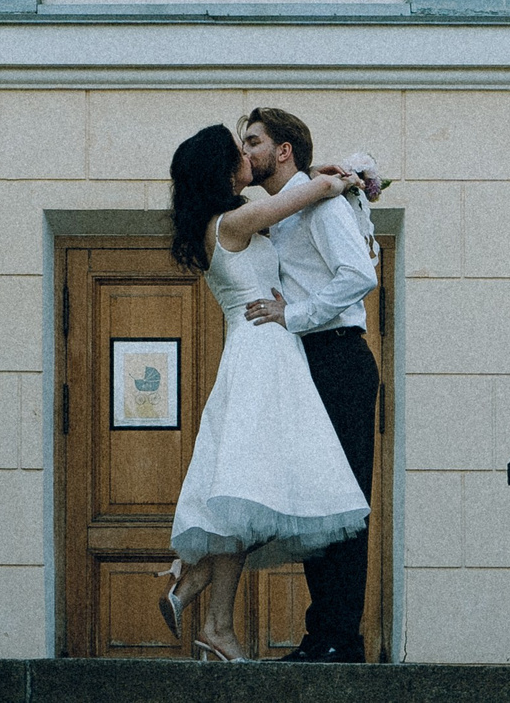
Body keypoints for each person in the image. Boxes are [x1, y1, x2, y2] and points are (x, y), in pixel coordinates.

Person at [159, 124, 369, 662]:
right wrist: (346, 174)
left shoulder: (226, 223)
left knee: (258, 488)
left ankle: (203, 601)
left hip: (264, 355)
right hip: (264, 355)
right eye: (240, 149)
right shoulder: (236, 221)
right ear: (224, 169)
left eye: (253, 143)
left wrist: (328, 176)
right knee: (262, 487)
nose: (247, 155)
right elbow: (315, 192)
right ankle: (214, 617)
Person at [238, 107, 381, 664]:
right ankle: (321, 634)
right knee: (318, 501)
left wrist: (292, 315)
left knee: (344, 502)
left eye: (254, 141)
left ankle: (341, 640)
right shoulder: (284, 209)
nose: (245, 152)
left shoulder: (319, 203)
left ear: (284, 150)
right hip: (307, 363)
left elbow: (359, 275)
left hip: (338, 359)